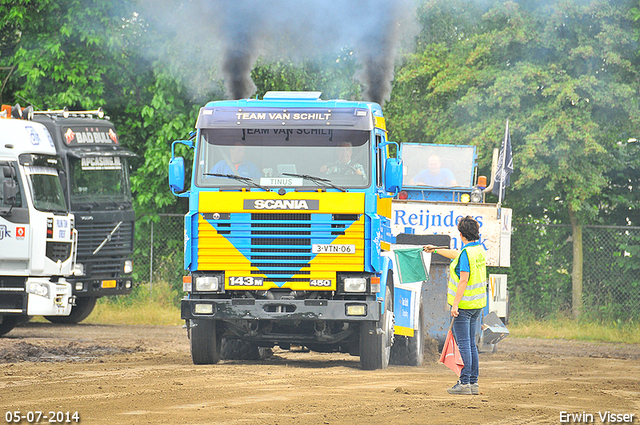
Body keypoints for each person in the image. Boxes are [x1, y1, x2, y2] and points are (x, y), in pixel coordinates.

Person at [423, 216, 487, 395]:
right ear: (476, 232)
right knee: (472, 345)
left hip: (464, 306)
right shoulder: (477, 250)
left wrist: (455, 305)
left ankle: (464, 382)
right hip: (476, 305)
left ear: (460, 234)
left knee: (464, 344)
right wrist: (435, 250)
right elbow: (456, 254)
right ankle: (473, 383)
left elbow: (464, 280)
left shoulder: (466, 254)